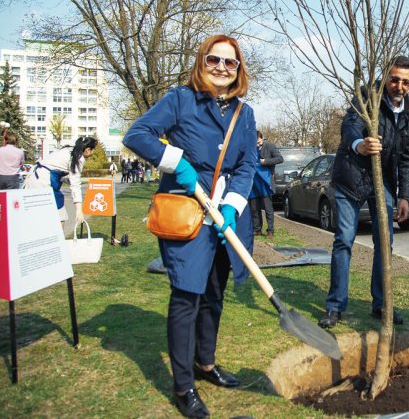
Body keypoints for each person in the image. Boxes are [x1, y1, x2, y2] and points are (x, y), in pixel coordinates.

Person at [123, 34, 257, 419]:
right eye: (214, 59)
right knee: (187, 295)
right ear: (202, 62)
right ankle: (183, 386)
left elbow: (247, 165)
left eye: (229, 63)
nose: (221, 67)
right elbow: (137, 135)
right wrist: (174, 161)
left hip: (224, 215)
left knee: (214, 292)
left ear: (238, 70)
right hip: (187, 212)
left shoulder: (243, 114)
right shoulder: (181, 99)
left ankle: (205, 363)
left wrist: (232, 206)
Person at [318, 56, 409, 329]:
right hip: (350, 177)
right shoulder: (367, 96)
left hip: (382, 182)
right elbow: (350, 125)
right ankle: (334, 306)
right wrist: (358, 144)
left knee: (385, 244)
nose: (399, 86)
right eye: (394, 79)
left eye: (405, 82)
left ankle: (381, 304)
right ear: (386, 77)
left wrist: (404, 195)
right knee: (343, 240)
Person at [23, 136, 98, 227]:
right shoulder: (78, 158)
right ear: (87, 150)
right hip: (43, 181)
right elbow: (75, 184)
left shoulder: (67, 150)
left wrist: (66, 179)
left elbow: (57, 169)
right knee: (60, 216)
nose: (93, 153)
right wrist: (79, 210)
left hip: (35, 178)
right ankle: (58, 240)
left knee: (40, 214)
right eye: (93, 150)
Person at [250, 131, 282, 238]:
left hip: (265, 181)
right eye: (255, 143)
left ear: (261, 138)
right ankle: (257, 229)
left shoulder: (269, 146)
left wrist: (265, 161)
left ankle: (270, 231)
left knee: (268, 207)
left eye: (258, 142)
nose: (257, 144)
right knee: (254, 208)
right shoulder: (250, 148)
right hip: (254, 182)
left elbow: (280, 159)